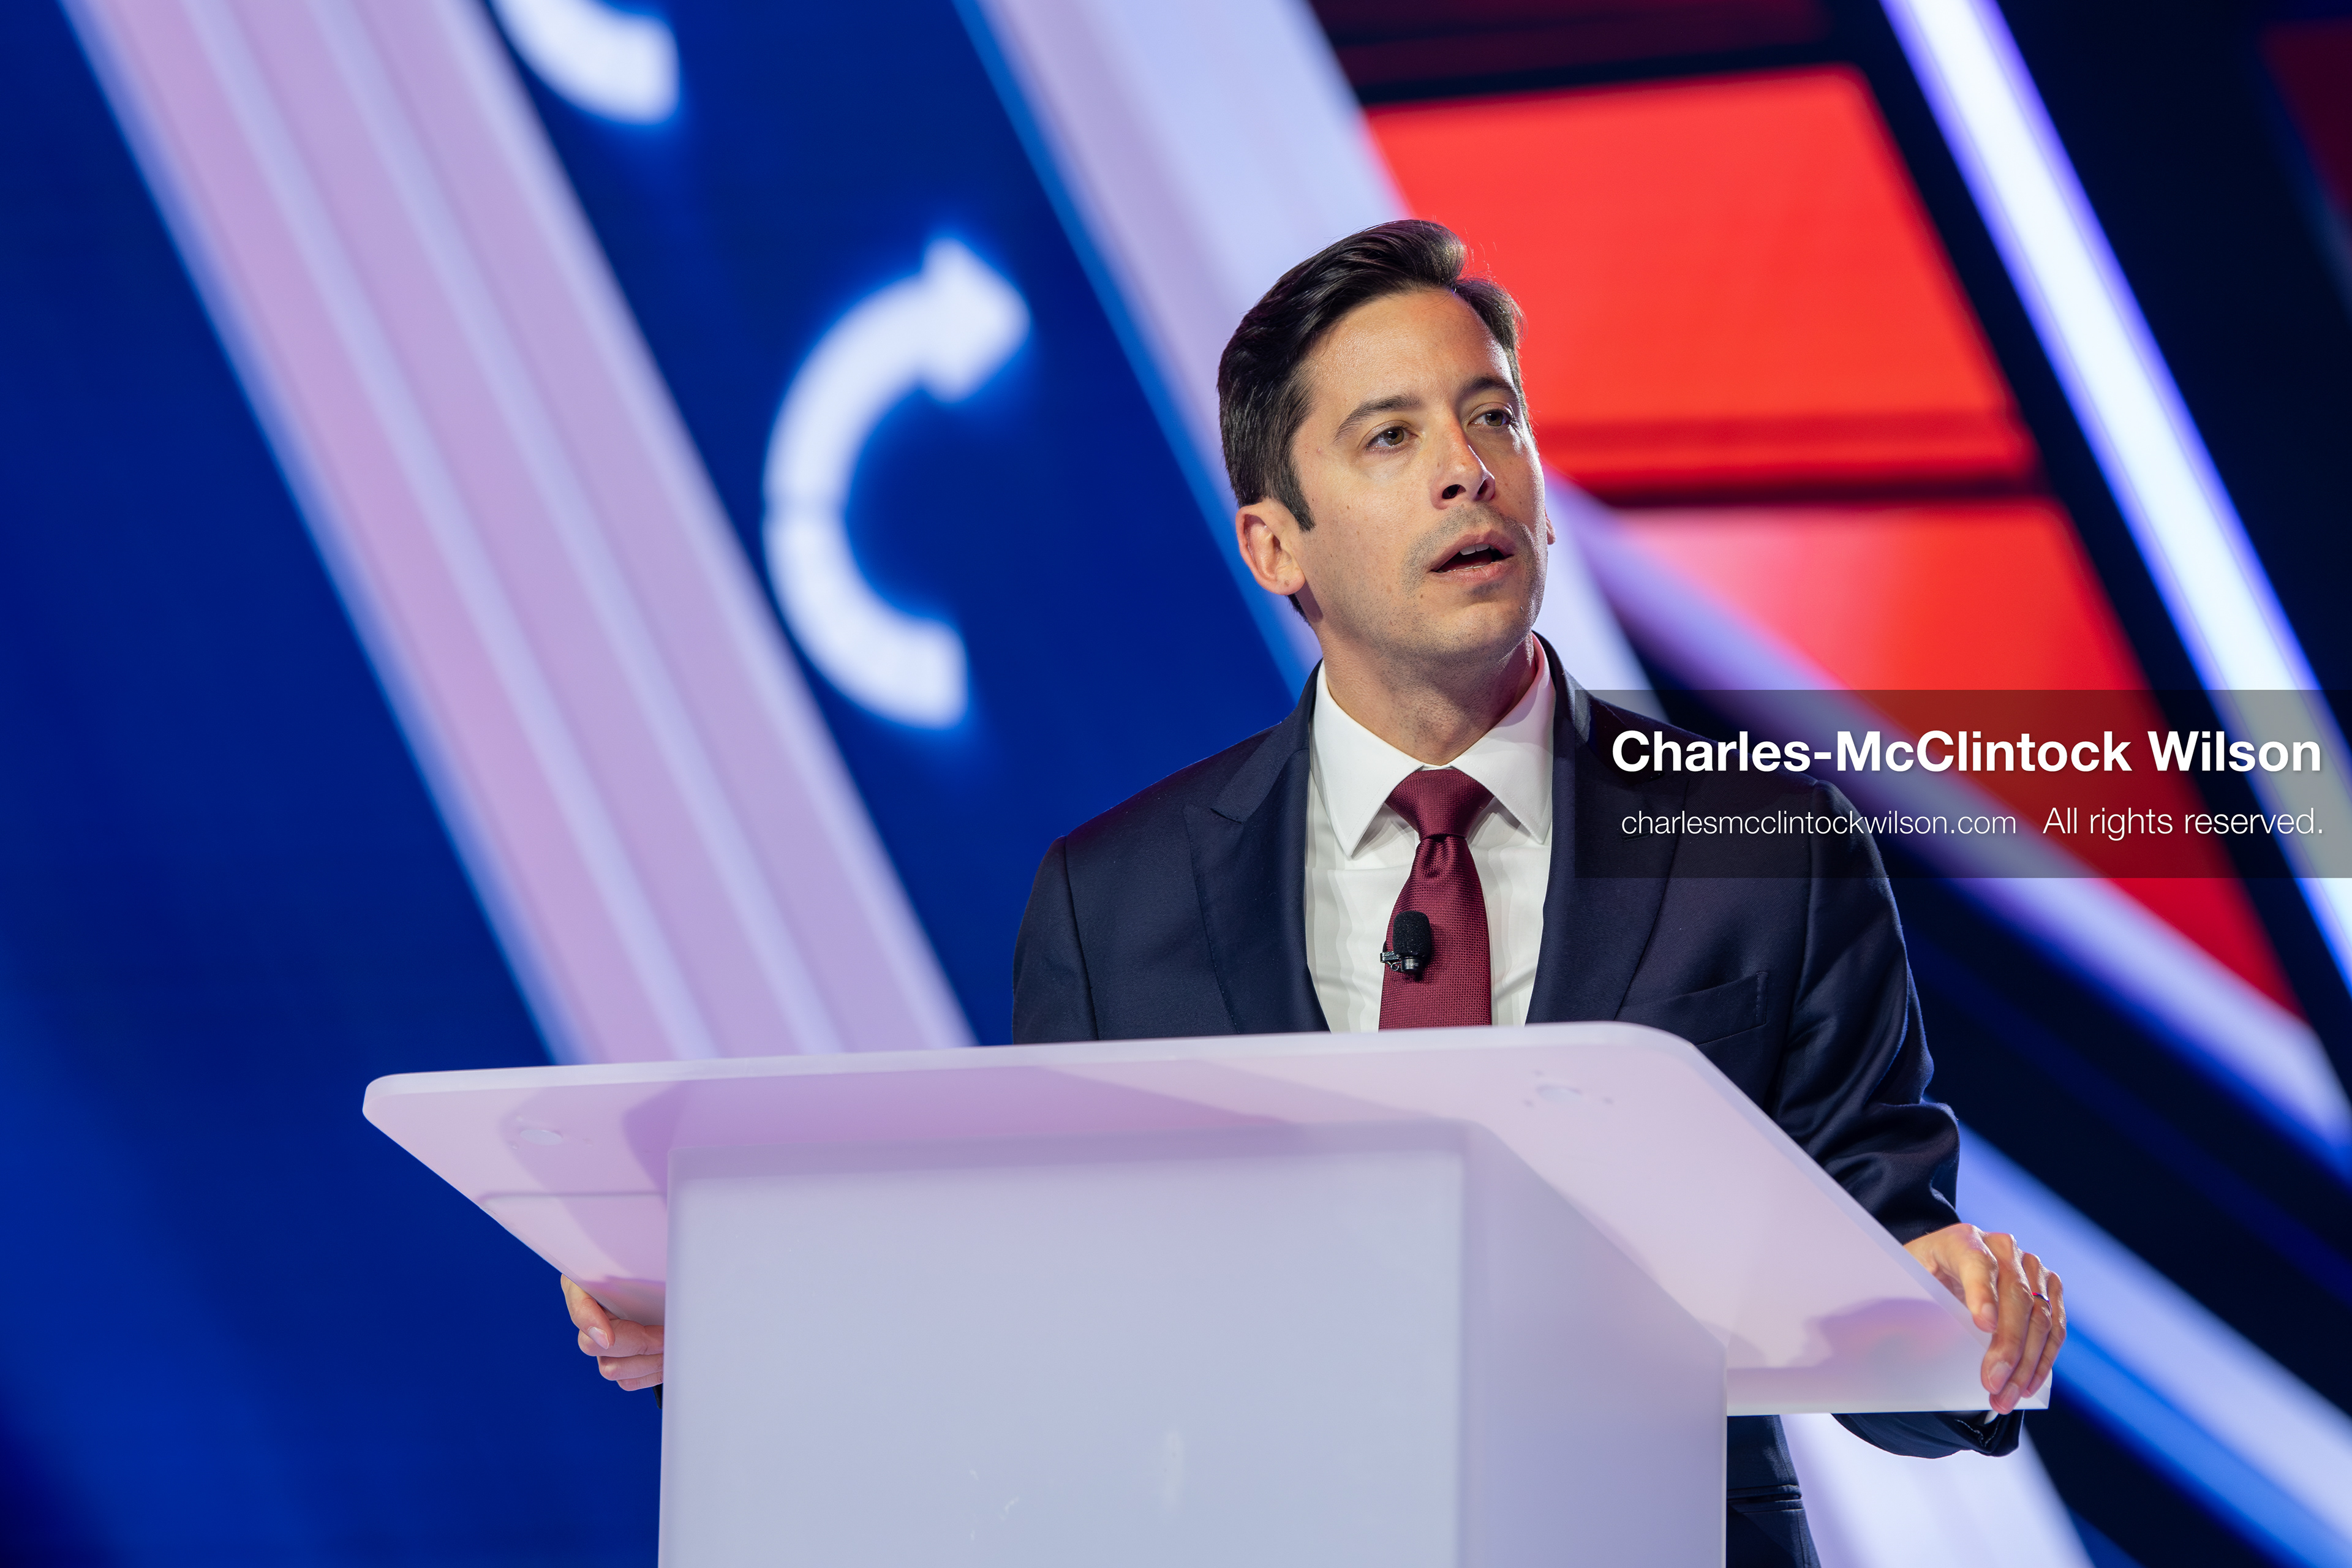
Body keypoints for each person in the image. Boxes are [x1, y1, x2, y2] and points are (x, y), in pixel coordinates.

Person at [564, 219, 2064, 1566]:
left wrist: (1965, 1321)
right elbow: (1054, 1334)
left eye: (1495, 416)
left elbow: (1887, 1286)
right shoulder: (1115, 900)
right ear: (1275, 544)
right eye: (1390, 436)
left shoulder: (1761, 844)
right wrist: (758, 1325)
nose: (1468, 467)